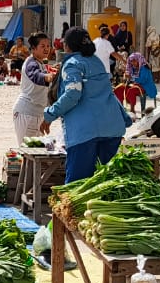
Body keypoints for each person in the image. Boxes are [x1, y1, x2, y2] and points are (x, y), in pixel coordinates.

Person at [41, 27, 130, 183]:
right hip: (111, 129)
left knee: (77, 184)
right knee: (107, 184)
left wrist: (49, 114)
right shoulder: (96, 62)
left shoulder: (72, 64)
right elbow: (107, 92)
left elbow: (72, 94)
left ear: (67, 46)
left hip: (84, 133)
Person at [12, 33, 53, 144]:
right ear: (34, 49)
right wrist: (48, 77)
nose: (46, 49)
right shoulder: (31, 63)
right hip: (27, 113)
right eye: (42, 46)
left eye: (48, 46)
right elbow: (35, 75)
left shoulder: (41, 62)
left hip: (38, 114)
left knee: (35, 155)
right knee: (27, 153)